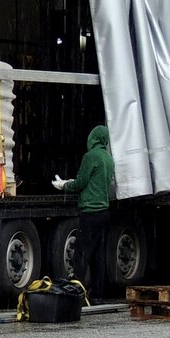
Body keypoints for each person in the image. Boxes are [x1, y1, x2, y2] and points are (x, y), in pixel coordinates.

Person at [53, 125, 117, 301]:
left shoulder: (91, 157)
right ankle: (97, 295)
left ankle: (77, 292)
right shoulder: (108, 158)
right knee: (98, 255)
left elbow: (81, 182)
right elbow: (95, 181)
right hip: (104, 211)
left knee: (81, 253)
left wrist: (64, 185)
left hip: (90, 211)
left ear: (93, 138)